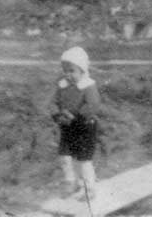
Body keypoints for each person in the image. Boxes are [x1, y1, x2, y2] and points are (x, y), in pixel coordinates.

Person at [52, 46, 101, 200]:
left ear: (82, 70)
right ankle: (70, 182)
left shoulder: (88, 86)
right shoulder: (62, 86)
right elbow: (54, 102)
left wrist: (75, 115)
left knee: (83, 159)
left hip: (84, 125)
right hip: (67, 125)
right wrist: (57, 114)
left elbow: (92, 105)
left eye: (72, 71)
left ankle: (88, 187)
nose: (68, 74)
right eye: (65, 70)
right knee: (65, 156)